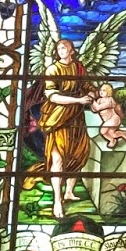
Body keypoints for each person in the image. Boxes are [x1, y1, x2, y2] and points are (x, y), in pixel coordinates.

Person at [34, 37, 95, 218]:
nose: (61, 50)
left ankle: (69, 191)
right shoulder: (53, 69)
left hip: (76, 118)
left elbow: (87, 85)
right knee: (58, 159)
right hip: (58, 118)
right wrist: (78, 100)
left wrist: (92, 92)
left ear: (72, 50)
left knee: (78, 154)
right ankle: (57, 200)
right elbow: (52, 96)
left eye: (64, 47)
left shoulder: (78, 67)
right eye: (58, 48)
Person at [89, 82, 126, 148]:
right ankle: (122, 134)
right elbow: (94, 110)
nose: (101, 92)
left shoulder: (110, 100)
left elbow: (97, 108)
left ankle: (112, 140)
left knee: (102, 131)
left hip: (114, 119)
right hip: (108, 121)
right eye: (100, 90)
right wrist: (91, 101)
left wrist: (92, 99)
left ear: (108, 92)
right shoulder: (99, 100)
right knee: (112, 134)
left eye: (104, 90)